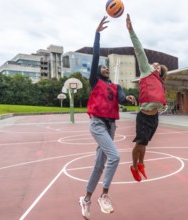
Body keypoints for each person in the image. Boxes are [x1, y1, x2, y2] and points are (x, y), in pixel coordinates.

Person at [79, 16, 137, 219]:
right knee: (115, 156)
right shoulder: (95, 82)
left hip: (111, 126)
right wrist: (97, 35)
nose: (105, 67)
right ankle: (104, 195)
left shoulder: (115, 86)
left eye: (106, 66)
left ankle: (86, 198)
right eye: (102, 66)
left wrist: (129, 99)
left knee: (99, 165)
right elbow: (95, 57)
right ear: (97, 72)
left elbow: (121, 99)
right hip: (97, 124)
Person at [126, 14, 168, 182]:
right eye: (155, 63)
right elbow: (139, 50)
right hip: (144, 116)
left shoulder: (159, 81)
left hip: (154, 117)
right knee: (139, 143)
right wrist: (131, 30)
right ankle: (134, 166)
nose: (155, 64)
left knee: (145, 144)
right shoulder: (146, 70)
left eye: (158, 66)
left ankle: (141, 164)